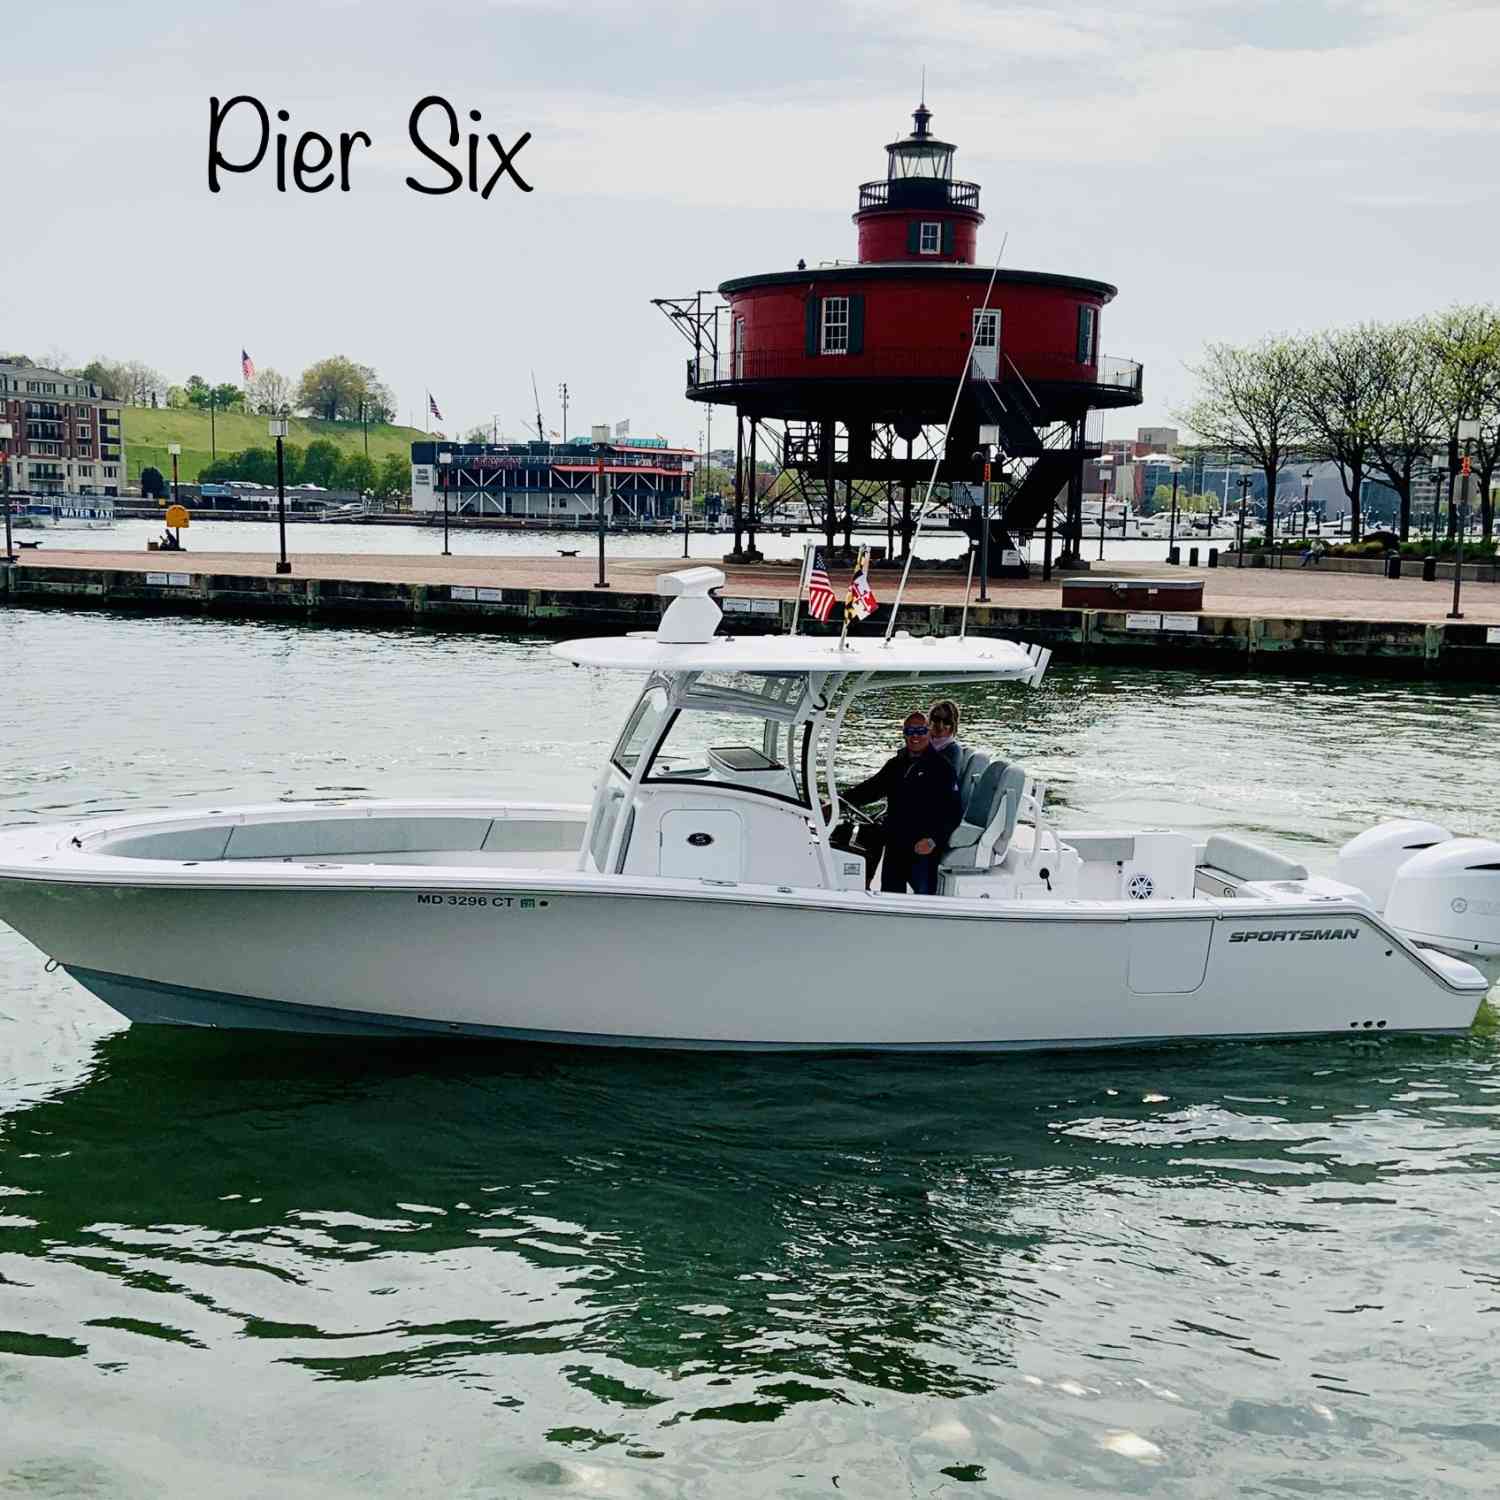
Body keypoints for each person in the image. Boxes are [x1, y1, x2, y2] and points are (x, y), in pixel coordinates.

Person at [844, 711, 962, 895]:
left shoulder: (942, 768)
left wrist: (933, 840)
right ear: (904, 733)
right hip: (896, 841)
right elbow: (870, 789)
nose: (915, 736)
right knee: (890, 894)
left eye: (921, 730)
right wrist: (839, 801)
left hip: (922, 845)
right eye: (910, 731)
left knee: (924, 899)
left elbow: (953, 812)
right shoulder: (896, 764)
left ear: (929, 732)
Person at [927, 700, 963, 775]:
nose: (940, 726)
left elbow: (948, 782)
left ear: (953, 725)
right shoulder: (920, 743)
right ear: (930, 721)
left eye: (947, 721)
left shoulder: (953, 750)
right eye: (936, 719)